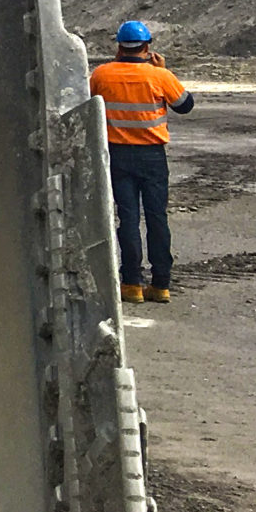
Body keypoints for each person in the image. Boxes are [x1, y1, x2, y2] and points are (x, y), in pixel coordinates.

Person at [89, 20, 194, 303]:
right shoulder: (159, 76)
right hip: (152, 156)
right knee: (157, 218)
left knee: (128, 219)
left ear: (119, 46)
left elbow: (88, 102)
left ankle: (132, 284)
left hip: (118, 155)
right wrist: (162, 71)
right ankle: (161, 285)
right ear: (147, 47)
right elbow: (185, 105)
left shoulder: (101, 74)